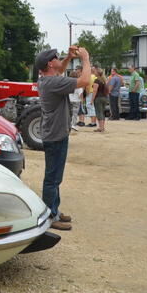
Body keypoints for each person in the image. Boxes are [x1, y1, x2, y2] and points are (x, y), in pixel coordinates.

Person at [35, 45, 90, 231]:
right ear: (50, 63)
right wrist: (85, 59)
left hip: (54, 133)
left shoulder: (48, 79)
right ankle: (50, 216)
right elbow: (83, 81)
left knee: (55, 177)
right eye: (57, 58)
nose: (60, 60)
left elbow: (61, 69)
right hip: (56, 135)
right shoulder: (53, 83)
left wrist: (67, 57)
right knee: (52, 178)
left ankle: (55, 211)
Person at [92, 67, 109, 132]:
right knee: (102, 112)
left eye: (95, 71)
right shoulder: (104, 80)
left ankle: (101, 127)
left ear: (97, 73)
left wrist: (92, 99)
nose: (94, 72)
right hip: (104, 97)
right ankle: (102, 127)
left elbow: (95, 91)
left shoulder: (97, 80)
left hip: (98, 98)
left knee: (99, 113)